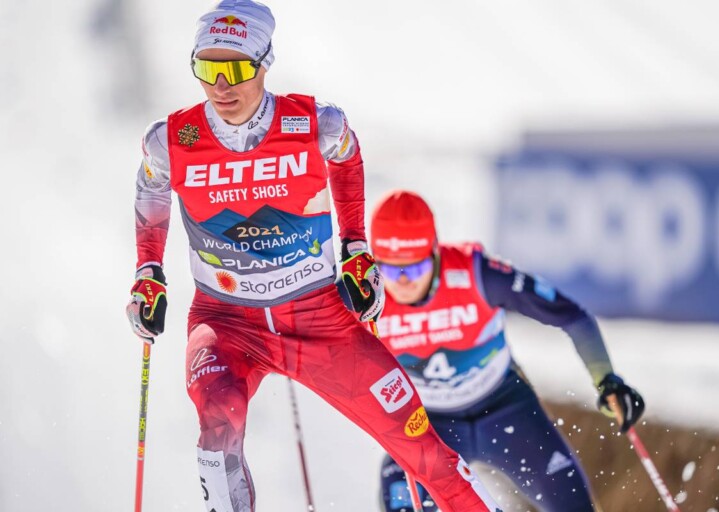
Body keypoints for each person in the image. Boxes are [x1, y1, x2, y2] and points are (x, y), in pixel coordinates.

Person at [124, 2, 505, 511]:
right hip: (226, 321)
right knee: (219, 420)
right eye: (207, 69)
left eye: (234, 69)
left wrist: (354, 244)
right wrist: (149, 269)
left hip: (320, 319)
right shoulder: (172, 139)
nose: (220, 86)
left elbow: (346, 155)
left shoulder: (313, 123)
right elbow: (151, 188)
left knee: (423, 451)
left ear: (264, 62)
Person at [363, 190, 646, 512]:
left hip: (503, 409)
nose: (401, 282)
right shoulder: (364, 294)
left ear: (435, 253)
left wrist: (606, 379)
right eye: (389, 270)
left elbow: (572, 316)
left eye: (413, 270)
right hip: (427, 426)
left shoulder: (478, 274)